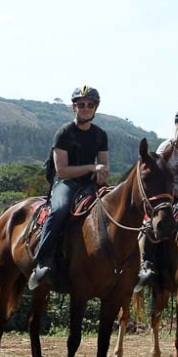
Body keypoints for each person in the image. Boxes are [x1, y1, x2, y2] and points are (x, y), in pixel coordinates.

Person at [28, 85, 109, 290]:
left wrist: (102, 173)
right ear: (74, 107)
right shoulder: (64, 133)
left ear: (95, 107)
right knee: (60, 209)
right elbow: (62, 171)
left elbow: (104, 164)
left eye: (90, 105)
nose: (86, 108)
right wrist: (91, 167)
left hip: (90, 184)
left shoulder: (101, 135)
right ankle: (43, 258)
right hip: (66, 183)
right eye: (81, 104)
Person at [135, 106, 178, 290]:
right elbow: (158, 174)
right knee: (152, 224)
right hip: (168, 195)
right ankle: (145, 263)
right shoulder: (166, 147)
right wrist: (173, 192)